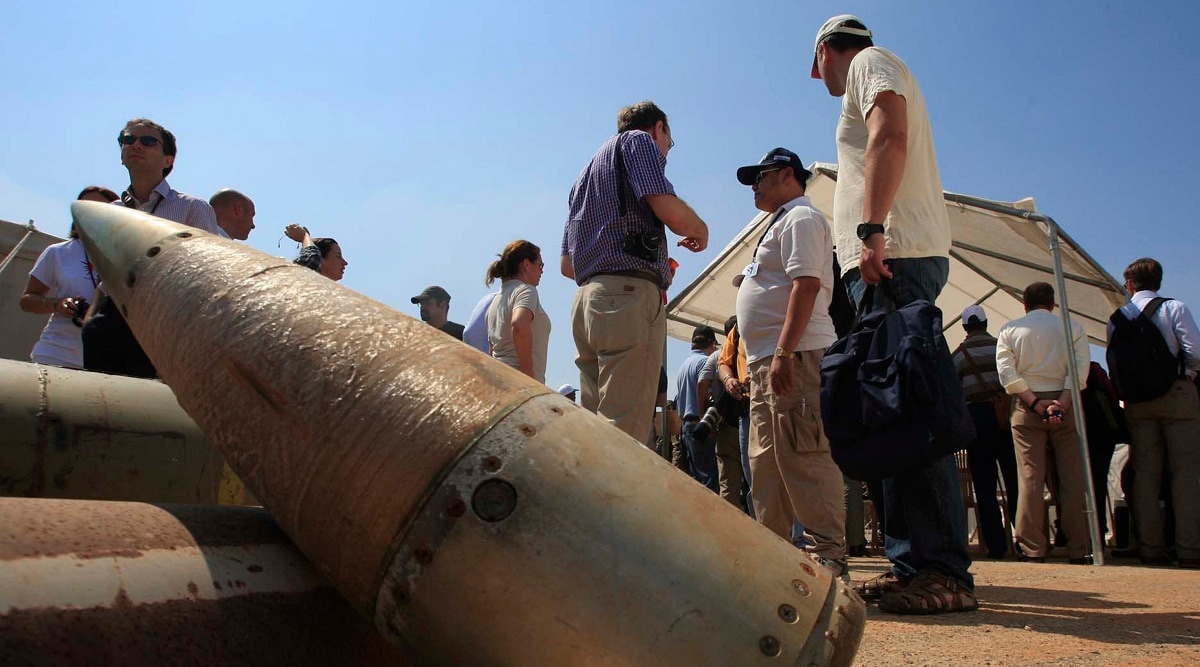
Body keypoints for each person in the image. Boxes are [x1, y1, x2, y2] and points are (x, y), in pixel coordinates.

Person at [812, 14, 975, 613]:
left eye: (816, 64)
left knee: (911, 411)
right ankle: (914, 564)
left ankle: (944, 571)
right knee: (891, 413)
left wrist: (872, 230)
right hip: (886, 256)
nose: (817, 75)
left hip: (894, 253)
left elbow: (889, 132)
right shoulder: (868, 66)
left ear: (824, 53)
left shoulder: (866, 64)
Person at [561, 101, 709, 442]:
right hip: (625, 298)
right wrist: (699, 229)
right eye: (668, 144)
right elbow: (662, 200)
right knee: (625, 433)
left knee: (597, 430)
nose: (666, 155)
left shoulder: (583, 177)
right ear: (658, 128)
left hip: (586, 301)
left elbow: (567, 265)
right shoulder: (637, 141)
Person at [732, 147, 846, 577]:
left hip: (795, 354)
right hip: (768, 361)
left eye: (759, 177)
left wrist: (783, 351)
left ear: (784, 175)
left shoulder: (801, 217)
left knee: (804, 455)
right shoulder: (779, 224)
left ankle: (830, 554)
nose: (754, 187)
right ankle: (774, 560)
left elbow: (807, 285)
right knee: (766, 463)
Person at [81, 118, 222, 378]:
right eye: (128, 140)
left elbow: (210, 272)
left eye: (147, 141)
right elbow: (106, 279)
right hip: (111, 320)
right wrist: (91, 319)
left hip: (165, 318)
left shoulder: (193, 208)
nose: (136, 145)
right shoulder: (112, 213)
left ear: (168, 160)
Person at [1108, 258, 1199, 568]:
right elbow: (1195, 351)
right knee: (1185, 472)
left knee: (1145, 474)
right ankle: (1188, 549)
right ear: (1158, 281)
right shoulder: (1175, 309)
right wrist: (1184, 372)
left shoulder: (1118, 318)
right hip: (1176, 394)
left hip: (1137, 403)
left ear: (1130, 284)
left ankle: (1150, 547)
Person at [995, 282, 1091, 564]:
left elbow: (1007, 374)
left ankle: (1033, 546)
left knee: (1030, 478)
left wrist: (1036, 403)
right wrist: (1060, 403)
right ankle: (1079, 546)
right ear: (1052, 303)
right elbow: (1079, 370)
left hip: (1027, 405)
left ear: (1025, 303)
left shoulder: (1010, 330)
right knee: (1072, 477)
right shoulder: (1072, 328)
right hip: (1066, 403)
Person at [20, 186, 119, 369]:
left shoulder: (126, 257)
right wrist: (57, 304)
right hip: (55, 353)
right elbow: (27, 300)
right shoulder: (58, 252)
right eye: (82, 208)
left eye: (98, 208)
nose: (88, 213)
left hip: (105, 359)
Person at [951, 305, 1020, 559]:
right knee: (1015, 480)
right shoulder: (1002, 348)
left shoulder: (959, 355)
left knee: (984, 484)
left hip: (976, 420)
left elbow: (953, 392)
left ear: (965, 327)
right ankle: (1022, 541)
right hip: (1006, 417)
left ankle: (996, 545)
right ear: (986, 322)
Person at [698, 315, 748, 511]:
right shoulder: (752, 346)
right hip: (749, 419)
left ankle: (732, 529)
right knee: (757, 481)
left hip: (726, 424)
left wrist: (705, 418)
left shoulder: (718, 357)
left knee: (729, 482)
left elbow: (703, 384)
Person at [485, 240, 551, 382]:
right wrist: (528, 374)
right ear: (526, 264)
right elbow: (519, 325)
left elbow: (492, 349)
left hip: (500, 381)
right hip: (521, 383)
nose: (542, 271)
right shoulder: (526, 291)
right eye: (540, 265)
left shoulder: (494, 303)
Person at [675, 326, 721, 493]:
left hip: (687, 425)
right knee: (710, 479)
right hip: (701, 425)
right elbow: (707, 394)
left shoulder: (684, 365)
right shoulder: (704, 363)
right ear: (712, 344)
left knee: (697, 478)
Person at [717, 318, 755, 518]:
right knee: (752, 478)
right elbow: (723, 363)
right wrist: (729, 379)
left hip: (782, 403)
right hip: (746, 411)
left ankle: (799, 540)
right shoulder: (738, 328)